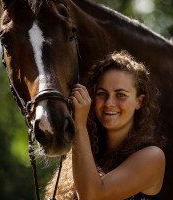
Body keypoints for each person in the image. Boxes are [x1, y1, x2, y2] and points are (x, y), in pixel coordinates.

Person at [45, 51, 166, 200]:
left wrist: (79, 125)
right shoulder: (87, 151)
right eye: (102, 94)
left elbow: (91, 196)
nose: (109, 103)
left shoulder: (152, 157)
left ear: (139, 101)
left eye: (120, 95)